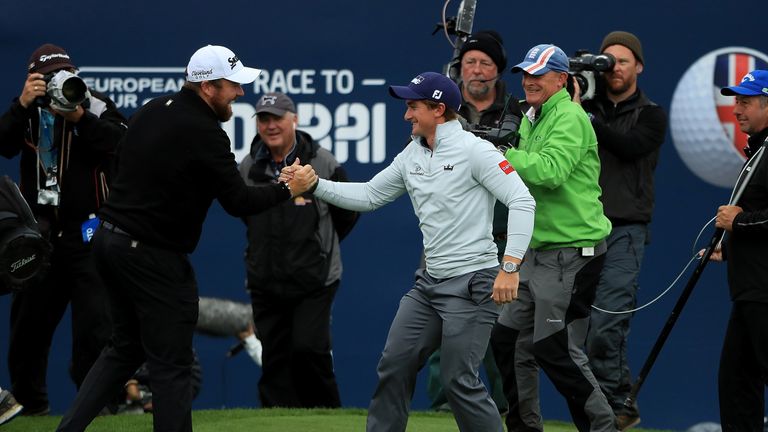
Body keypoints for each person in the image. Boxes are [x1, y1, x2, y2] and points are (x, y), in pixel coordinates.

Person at [54, 45, 318, 432]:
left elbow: (121, 158)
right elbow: (239, 201)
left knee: (125, 348)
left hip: (110, 245)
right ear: (208, 87)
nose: (240, 94)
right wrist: (289, 189)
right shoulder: (205, 132)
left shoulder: (151, 109)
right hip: (151, 257)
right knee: (172, 365)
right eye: (233, 85)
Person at [283, 71, 535, 432]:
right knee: (394, 363)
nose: (406, 115)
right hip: (428, 285)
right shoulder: (411, 154)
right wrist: (316, 184)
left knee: (458, 379)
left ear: (438, 109)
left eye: (413, 107)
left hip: (473, 285)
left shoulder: (475, 151)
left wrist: (509, 266)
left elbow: (522, 201)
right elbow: (370, 195)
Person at [489, 44, 616, 432]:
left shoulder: (571, 117)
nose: (529, 81)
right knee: (507, 341)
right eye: (526, 73)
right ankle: (525, 427)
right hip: (538, 251)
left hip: (573, 252)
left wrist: (499, 154)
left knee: (554, 348)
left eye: (539, 74)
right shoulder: (534, 115)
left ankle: (603, 427)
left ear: (562, 80)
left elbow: (549, 171)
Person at [0, 43, 127, 416]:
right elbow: (2, 144)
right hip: (37, 237)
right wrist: (20, 105)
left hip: (89, 235)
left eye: (64, 73)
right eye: (47, 77)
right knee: (27, 332)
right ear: (33, 79)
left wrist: (80, 117)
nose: (58, 82)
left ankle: (97, 410)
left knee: (96, 330)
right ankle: (31, 407)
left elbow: (123, 144)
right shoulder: (26, 109)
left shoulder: (95, 103)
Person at [240, 91, 359, 408]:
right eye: (264, 119)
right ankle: (277, 423)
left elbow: (347, 212)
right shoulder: (249, 166)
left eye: (277, 117)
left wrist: (316, 248)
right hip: (266, 279)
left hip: (315, 279)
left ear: (294, 119)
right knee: (274, 359)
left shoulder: (321, 161)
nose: (270, 125)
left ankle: (328, 419)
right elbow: (245, 213)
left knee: (309, 350)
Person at [578, 31, 668, 430]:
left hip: (625, 231)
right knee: (572, 329)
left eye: (623, 61)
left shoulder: (651, 114)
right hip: (581, 228)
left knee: (607, 322)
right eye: (607, 61)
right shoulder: (583, 107)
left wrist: (587, 116)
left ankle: (617, 404)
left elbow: (629, 146)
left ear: (640, 67)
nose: (614, 68)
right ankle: (606, 410)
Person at [426, 29, 516, 415]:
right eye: (469, 63)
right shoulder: (442, 110)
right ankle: (444, 406)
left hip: (497, 238)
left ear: (498, 71)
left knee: (496, 329)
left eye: (485, 63)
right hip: (447, 235)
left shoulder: (519, 112)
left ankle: (498, 407)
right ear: (458, 69)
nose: (476, 71)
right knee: (442, 323)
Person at [708, 69, 768, 432]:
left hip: (764, 291)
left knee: (740, 383)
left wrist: (740, 224)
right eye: (736, 101)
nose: (736, 109)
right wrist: (728, 249)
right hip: (749, 289)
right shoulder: (759, 149)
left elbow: (750, 217)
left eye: (745, 101)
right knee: (735, 384)